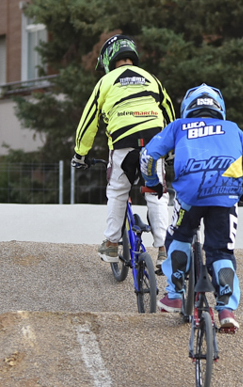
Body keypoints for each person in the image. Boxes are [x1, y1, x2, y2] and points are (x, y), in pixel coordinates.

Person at [141, 85, 243, 330]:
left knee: (178, 236)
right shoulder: (232, 128)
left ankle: (175, 294)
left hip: (190, 194)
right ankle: (226, 309)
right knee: (221, 251)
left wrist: (152, 183)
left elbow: (148, 156)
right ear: (219, 107)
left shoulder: (178, 126)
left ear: (187, 107)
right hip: (226, 195)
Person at [73, 34, 174, 264]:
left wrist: (80, 153)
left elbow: (89, 121)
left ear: (109, 58)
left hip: (123, 142)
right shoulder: (151, 78)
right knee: (157, 192)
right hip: (153, 142)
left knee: (118, 191)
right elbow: (169, 112)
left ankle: (110, 244)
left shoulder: (106, 82)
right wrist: (171, 150)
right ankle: (163, 249)